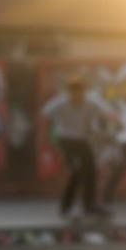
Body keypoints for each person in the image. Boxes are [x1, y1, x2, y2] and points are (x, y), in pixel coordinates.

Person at [42, 75, 114, 219]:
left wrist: (113, 125)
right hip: (66, 141)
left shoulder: (90, 102)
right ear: (68, 93)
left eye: (80, 95)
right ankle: (66, 207)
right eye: (74, 95)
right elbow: (45, 115)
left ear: (84, 93)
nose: (77, 98)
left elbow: (107, 113)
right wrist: (49, 138)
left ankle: (90, 206)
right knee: (76, 172)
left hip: (82, 141)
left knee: (90, 171)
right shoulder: (59, 103)